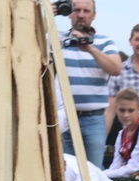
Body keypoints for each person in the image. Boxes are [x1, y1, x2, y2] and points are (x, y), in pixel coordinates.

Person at [58, 0, 122, 169]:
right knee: (67, 172)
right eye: (76, 10)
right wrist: (53, 11)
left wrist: (90, 49)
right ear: (69, 13)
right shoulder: (58, 38)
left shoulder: (104, 41)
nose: (81, 15)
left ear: (93, 15)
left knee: (95, 172)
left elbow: (116, 68)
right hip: (64, 118)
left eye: (86, 11)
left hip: (93, 118)